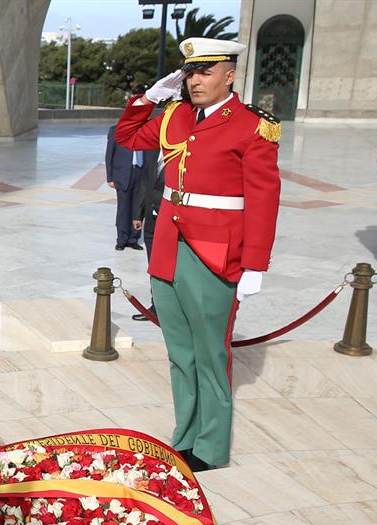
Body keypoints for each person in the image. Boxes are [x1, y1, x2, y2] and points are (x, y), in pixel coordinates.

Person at [116, 37, 281, 472]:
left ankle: (210, 447)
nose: (195, 80)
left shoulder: (251, 126)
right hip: (168, 247)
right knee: (179, 352)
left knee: (211, 353)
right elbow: (127, 135)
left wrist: (255, 265)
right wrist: (151, 97)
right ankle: (184, 435)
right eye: (190, 72)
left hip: (215, 252)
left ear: (230, 75)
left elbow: (263, 200)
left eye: (205, 72)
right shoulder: (175, 115)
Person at [130, 143, 164, 321]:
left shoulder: (183, 150)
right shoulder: (152, 150)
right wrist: (138, 213)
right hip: (151, 218)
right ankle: (156, 306)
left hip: (171, 218)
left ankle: (172, 307)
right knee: (154, 265)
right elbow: (145, 181)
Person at [106, 123, 144, 250]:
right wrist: (110, 177)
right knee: (123, 208)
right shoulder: (116, 130)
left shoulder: (145, 129)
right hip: (122, 174)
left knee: (138, 207)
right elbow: (109, 154)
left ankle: (134, 239)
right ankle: (122, 239)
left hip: (140, 172)